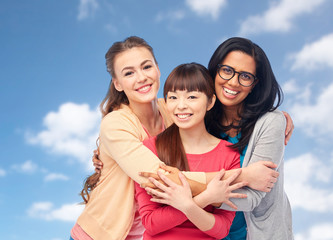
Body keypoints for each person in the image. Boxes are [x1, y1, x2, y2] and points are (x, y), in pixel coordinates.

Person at [71, 36, 250, 240]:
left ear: (157, 69)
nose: (141, 78)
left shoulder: (173, 109)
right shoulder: (116, 123)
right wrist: (241, 177)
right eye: (129, 73)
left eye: (146, 67)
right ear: (117, 83)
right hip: (97, 235)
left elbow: (213, 105)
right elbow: (158, 177)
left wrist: (278, 118)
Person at [144, 37, 294, 239]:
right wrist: (108, 153)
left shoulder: (270, 123)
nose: (233, 82)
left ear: (255, 84)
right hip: (207, 231)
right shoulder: (197, 117)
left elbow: (251, 198)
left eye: (246, 76)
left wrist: (180, 189)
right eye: (227, 71)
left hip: (257, 233)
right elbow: (148, 109)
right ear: (215, 70)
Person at [135, 62, 244, 239]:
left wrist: (186, 204)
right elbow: (151, 222)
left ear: (210, 102)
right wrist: (205, 198)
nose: (181, 106)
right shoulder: (150, 149)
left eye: (192, 97)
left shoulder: (229, 154)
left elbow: (222, 229)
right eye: (173, 97)